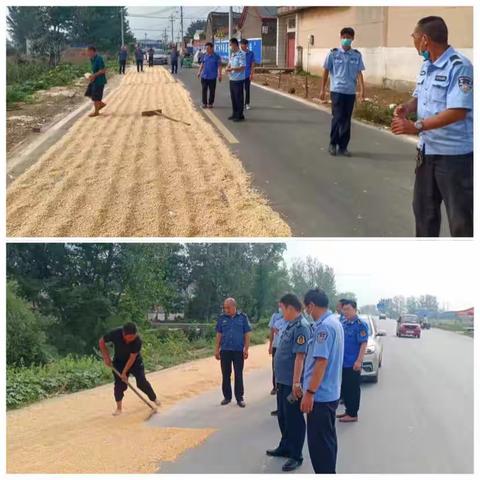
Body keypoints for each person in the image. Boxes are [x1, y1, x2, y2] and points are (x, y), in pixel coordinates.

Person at [391, 16, 473, 237]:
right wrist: (406, 107)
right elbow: (419, 97)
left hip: (454, 158)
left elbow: (458, 111)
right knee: (424, 215)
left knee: (461, 222)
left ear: (425, 39)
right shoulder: (427, 66)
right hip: (426, 154)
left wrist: (417, 126)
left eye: (415, 38)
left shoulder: (460, 66)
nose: (415, 43)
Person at [266, 294, 310, 472]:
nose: (281, 312)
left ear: (291, 308)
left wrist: (296, 383)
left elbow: (300, 356)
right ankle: (285, 446)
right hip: (283, 381)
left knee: (294, 419)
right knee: (283, 416)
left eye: (282, 308)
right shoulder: (289, 324)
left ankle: (296, 454)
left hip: (293, 383)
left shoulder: (301, 327)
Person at [301, 289, 344, 474]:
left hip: (320, 396)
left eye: (306, 307)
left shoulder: (324, 327)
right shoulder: (334, 322)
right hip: (330, 393)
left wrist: (309, 393)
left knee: (319, 446)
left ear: (311, 305)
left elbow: (321, 362)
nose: (306, 311)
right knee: (327, 441)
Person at [320, 27, 366, 157]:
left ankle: (343, 146)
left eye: (349, 37)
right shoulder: (333, 53)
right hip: (337, 91)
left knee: (346, 120)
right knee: (337, 117)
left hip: (350, 92)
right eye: (344, 36)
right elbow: (325, 71)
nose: (346, 39)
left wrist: (362, 90)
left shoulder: (356, 55)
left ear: (353, 39)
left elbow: (359, 73)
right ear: (340, 37)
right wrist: (322, 89)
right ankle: (333, 144)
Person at [99, 322, 161, 416]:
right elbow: (101, 341)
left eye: (133, 337)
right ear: (124, 334)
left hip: (135, 362)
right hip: (119, 362)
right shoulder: (115, 333)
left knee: (141, 382)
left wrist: (124, 373)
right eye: (129, 338)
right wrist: (106, 356)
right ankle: (119, 408)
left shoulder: (137, 341)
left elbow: (132, 358)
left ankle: (154, 399)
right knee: (120, 385)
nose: (131, 340)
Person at [215, 298, 251, 408]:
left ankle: (239, 398)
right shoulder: (222, 319)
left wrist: (246, 348)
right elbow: (219, 334)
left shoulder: (242, 318)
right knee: (225, 374)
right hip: (225, 350)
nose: (226, 310)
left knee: (238, 374)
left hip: (238, 350)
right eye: (225, 308)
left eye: (228, 308)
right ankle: (227, 397)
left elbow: (247, 333)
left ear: (234, 306)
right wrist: (217, 349)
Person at [337, 299, 368, 422]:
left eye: (348, 309)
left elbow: (363, 344)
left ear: (355, 309)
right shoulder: (343, 323)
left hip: (353, 362)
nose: (345, 312)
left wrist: (359, 361)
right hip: (342, 362)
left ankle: (353, 413)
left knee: (353, 389)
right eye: (344, 309)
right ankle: (347, 410)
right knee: (345, 388)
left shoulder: (360, 325)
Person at [268, 305, 288, 416]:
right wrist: (271, 345)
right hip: (278, 349)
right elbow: (273, 330)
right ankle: (280, 408)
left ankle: (286, 409)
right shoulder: (278, 320)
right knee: (277, 373)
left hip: (288, 355)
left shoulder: (297, 324)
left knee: (287, 385)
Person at [226, 38, 246, 122]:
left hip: (238, 79)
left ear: (235, 44)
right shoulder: (233, 54)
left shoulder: (241, 54)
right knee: (233, 98)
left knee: (239, 98)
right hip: (232, 79)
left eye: (230, 45)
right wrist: (227, 67)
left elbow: (242, 67)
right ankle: (234, 113)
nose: (230, 47)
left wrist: (232, 69)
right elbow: (229, 64)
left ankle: (240, 115)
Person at [197, 42, 222, 108]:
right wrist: (199, 72)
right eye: (206, 48)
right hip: (204, 76)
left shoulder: (216, 57)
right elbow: (202, 64)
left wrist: (220, 75)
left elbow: (219, 66)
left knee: (212, 91)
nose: (206, 50)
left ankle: (210, 103)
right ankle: (204, 103)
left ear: (212, 48)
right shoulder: (204, 55)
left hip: (212, 77)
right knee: (204, 90)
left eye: (208, 48)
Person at [86, 45, 107, 117]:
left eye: (89, 52)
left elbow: (103, 70)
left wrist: (94, 75)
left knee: (96, 96)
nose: (88, 53)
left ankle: (96, 111)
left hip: (100, 81)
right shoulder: (92, 59)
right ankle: (101, 104)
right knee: (89, 93)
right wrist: (91, 75)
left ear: (92, 51)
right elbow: (95, 70)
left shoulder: (99, 58)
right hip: (94, 80)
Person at [240, 38, 255, 110]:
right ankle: (241, 103)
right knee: (240, 90)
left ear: (246, 45)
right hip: (239, 75)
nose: (241, 46)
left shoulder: (251, 53)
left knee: (247, 89)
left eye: (243, 44)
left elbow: (252, 64)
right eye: (241, 44)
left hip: (247, 74)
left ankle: (247, 103)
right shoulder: (238, 53)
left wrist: (251, 74)